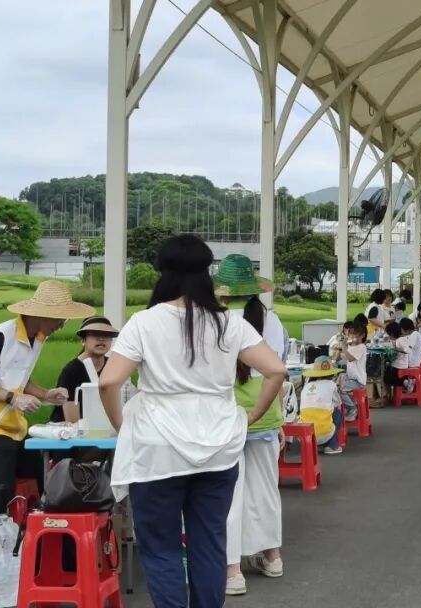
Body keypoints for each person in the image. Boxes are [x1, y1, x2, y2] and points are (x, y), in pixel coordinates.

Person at [99, 235, 287, 608]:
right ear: (207, 272)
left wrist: (123, 427)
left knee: (162, 547)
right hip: (218, 448)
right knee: (209, 543)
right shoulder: (228, 323)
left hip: (157, 450)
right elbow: (276, 370)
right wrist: (251, 415)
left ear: (163, 272)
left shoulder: (144, 322)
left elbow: (108, 382)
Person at [0, 281, 90, 525]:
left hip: (14, 426)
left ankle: (26, 535)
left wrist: (46, 394)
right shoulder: (2, 336)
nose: (62, 325)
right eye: (59, 318)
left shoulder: (38, 337)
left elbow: (17, 376)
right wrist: (13, 398)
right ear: (41, 313)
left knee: (41, 477)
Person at [211, 254, 288, 595]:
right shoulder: (271, 320)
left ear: (223, 290)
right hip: (265, 413)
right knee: (265, 490)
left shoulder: (215, 321)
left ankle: (232, 572)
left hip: (226, 415)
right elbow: (279, 369)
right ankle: (272, 556)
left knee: (227, 495)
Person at [53, 316, 121, 425]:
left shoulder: (113, 366)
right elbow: (72, 420)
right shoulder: (72, 371)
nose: (101, 339)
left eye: (106, 335)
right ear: (83, 340)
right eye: (95, 334)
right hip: (72, 430)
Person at [299, 356, 345, 455]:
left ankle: (311, 445)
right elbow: (338, 403)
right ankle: (331, 445)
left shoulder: (307, 386)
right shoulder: (332, 384)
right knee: (337, 413)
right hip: (324, 432)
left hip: (305, 435)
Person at [336, 323, 368, 422]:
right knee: (336, 383)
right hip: (350, 378)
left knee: (340, 389)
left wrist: (344, 346)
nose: (352, 337)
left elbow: (350, 358)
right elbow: (339, 357)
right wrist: (339, 348)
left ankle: (352, 408)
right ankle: (347, 406)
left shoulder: (361, 347)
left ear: (362, 335)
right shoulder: (350, 346)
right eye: (351, 335)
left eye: (355, 335)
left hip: (358, 381)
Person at [384, 321, 415, 393]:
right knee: (387, 370)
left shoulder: (400, 341)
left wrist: (396, 348)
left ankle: (406, 383)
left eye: (388, 334)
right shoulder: (401, 339)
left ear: (392, 334)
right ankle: (405, 382)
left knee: (386, 378)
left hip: (399, 367)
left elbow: (407, 350)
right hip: (401, 365)